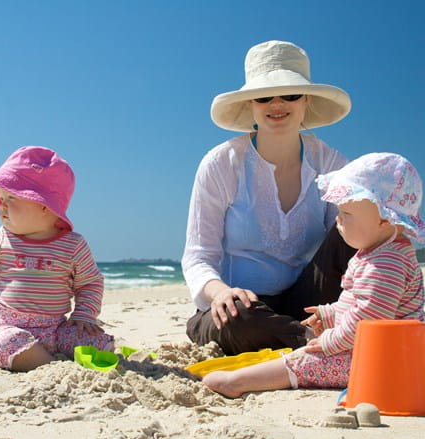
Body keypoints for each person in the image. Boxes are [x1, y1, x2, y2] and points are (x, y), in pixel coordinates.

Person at [182, 40, 356, 355]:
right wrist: (221, 292)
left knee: (356, 225)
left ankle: (356, 327)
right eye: (264, 96)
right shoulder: (221, 164)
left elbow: (348, 246)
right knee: (239, 319)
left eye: (289, 94)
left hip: (309, 303)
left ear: (306, 101)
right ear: (251, 105)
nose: (277, 103)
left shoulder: (331, 164)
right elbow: (198, 257)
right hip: (242, 308)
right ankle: (320, 343)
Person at [202, 152, 425, 397]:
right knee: (308, 353)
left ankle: (237, 382)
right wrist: (329, 314)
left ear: (384, 219)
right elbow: (358, 303)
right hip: (384, 351)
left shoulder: (386, 262)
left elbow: (370, 317)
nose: (338, 219)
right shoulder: (380, 251)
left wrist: (331, 342)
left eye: (346, 214)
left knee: (308, 361)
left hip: (387, 360)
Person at [0, 146, 114, 372]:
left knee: (100, 343)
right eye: (1, 198)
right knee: (2, 345)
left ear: (44, 205)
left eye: (10, 198)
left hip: (57, 329)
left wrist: (84, 314)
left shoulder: (72, 244)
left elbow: (89, 282)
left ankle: (46, 358)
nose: (1, 207)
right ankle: (51, 366)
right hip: (7, 326)